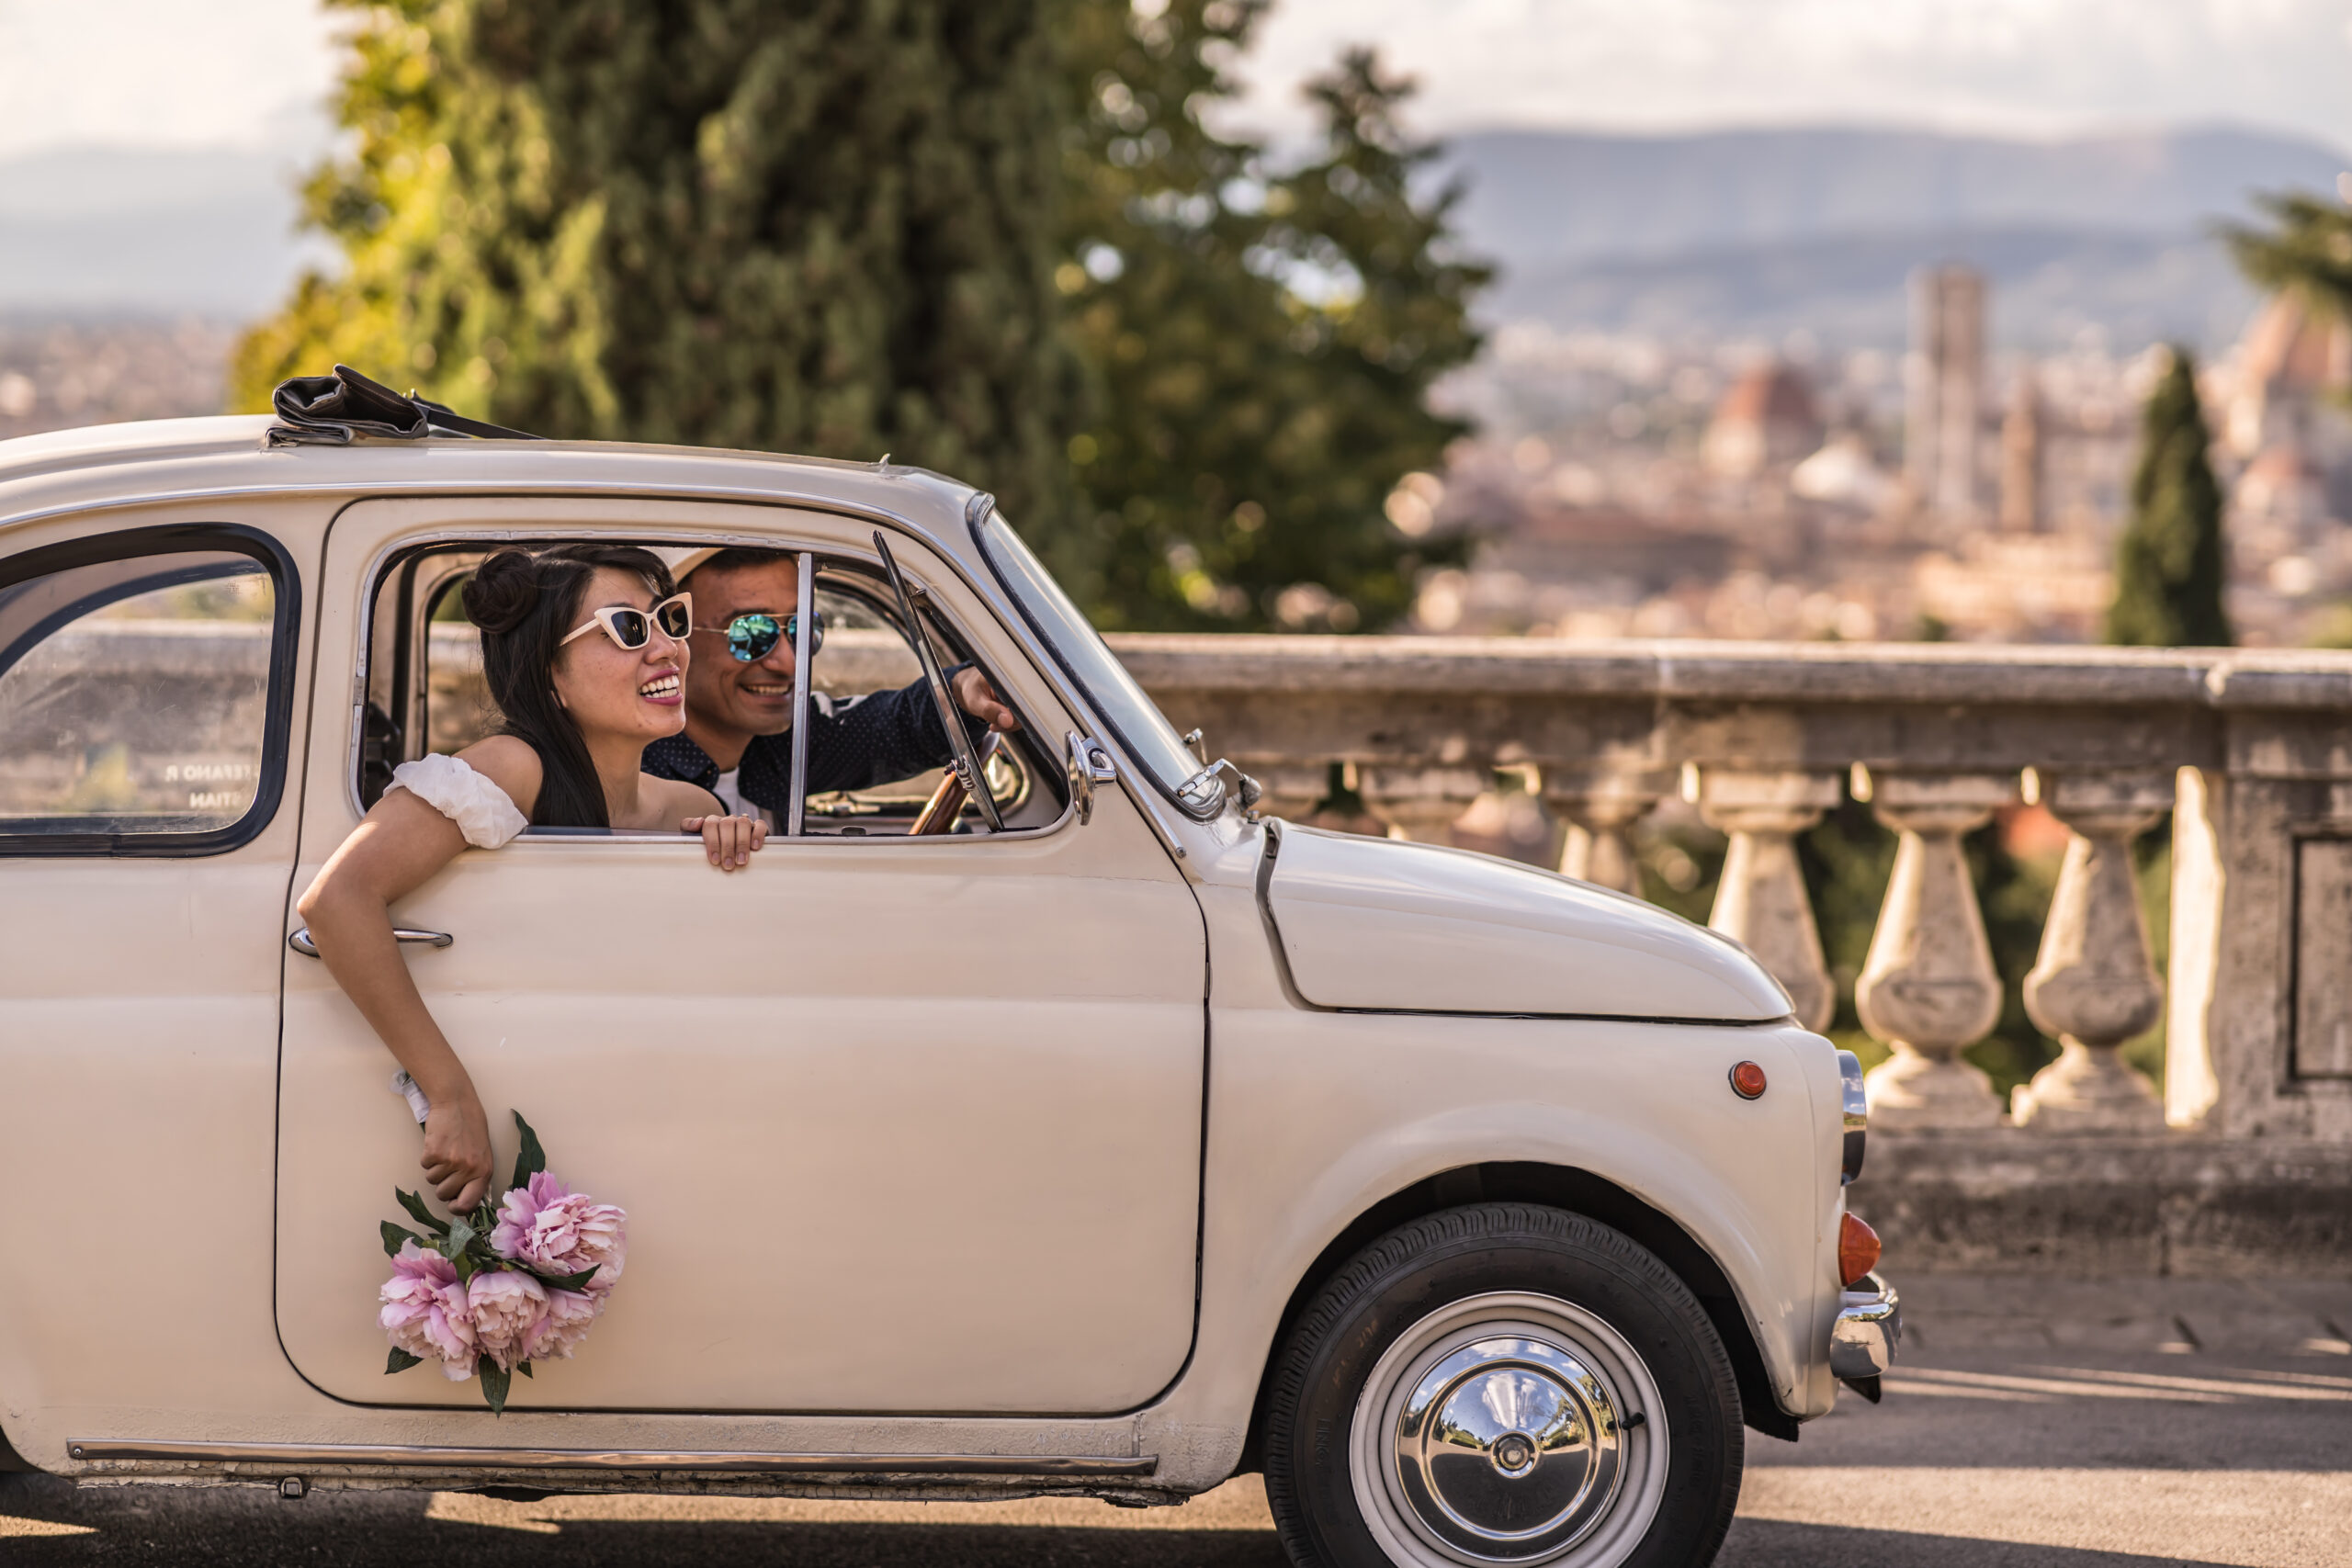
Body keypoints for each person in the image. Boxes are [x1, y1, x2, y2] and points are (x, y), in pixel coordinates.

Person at [296, 544, 767, 1214]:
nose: (666, 648)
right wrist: (449, 1093)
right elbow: (338, 899)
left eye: (670, 619)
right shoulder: (514, 766)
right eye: (628, 629)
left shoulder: (684, 807)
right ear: (553, 679)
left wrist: (735, 840)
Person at [639, 547, 1019, 822]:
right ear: (675, 638)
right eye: (752, 632)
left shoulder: (779, 746)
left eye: (802, 629)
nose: (788, 661)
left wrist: (962, 688)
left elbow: (894, 729)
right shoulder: (630, 776)